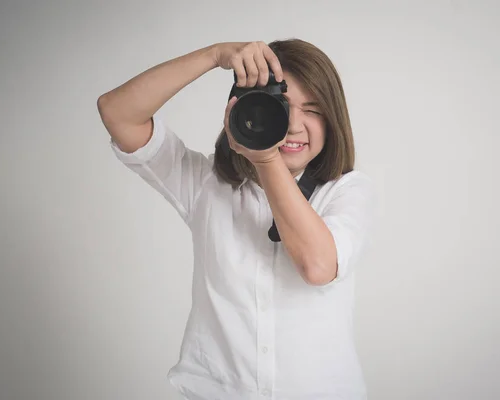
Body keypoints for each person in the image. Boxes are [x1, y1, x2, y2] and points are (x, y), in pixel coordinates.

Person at [97, 39, 374, 400]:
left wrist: (265, 159)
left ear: (332, 119)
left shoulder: (348, 191)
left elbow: (318, 265)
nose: (293, 125)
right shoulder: (206, 185)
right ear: (245, 108)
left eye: (313, 109)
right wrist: (216, 55)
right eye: (281, 106)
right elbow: (117, 113)